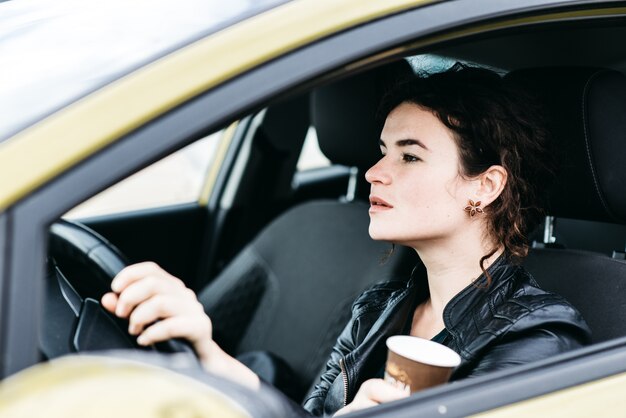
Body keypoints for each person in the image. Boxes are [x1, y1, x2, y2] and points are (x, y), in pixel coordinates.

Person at [101, 63, 591, 417]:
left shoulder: (537, 339)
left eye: (410, 156)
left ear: (484, 187)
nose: (374, 173)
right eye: (382, 152)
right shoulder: (377, 308)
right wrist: (208, 353)